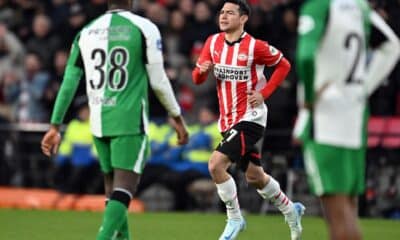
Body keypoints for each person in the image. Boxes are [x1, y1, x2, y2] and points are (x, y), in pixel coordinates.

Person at [40, 0, 189, 239]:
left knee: (113, 194)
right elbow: (159, 79)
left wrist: (55, 125)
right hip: (129, 121)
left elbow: (69, 81)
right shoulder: (144, 27)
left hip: (99, 122)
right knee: (125, 189)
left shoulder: (86, 32)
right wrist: (176, 116)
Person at [192, 1, 305, 240]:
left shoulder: (255, 46)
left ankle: (234, 217)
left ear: (243, 18)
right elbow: (197, 79)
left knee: (215, 165)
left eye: (230, 13)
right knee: (255, 176)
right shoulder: (212, 43)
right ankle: (290, 209)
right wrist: (202, 71)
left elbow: (284, 65)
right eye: (222, 12)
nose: (223, 16)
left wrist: (264, 94)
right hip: (228, 121)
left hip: (251, 118)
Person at [294, 0, 400, 239]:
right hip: (354, 117)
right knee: (348, 210)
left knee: (337, 213)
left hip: (325, 118)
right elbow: (393, 45)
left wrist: (310, 97)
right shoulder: (360, 7)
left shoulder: (319, 6)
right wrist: (363, 89)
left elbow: (306, 56)